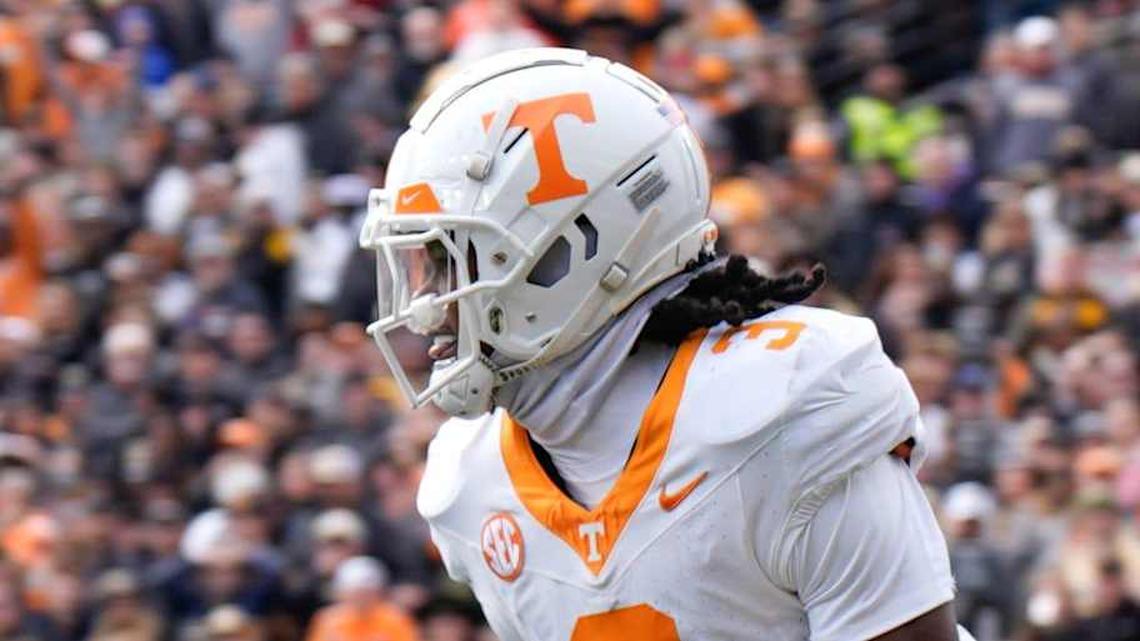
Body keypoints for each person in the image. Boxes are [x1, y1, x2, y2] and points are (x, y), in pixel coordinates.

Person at [358, 48, 975, 641]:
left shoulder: (784, 419)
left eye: (446, 263)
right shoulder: (472, 483)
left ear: (567, 250)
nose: (424, 306)